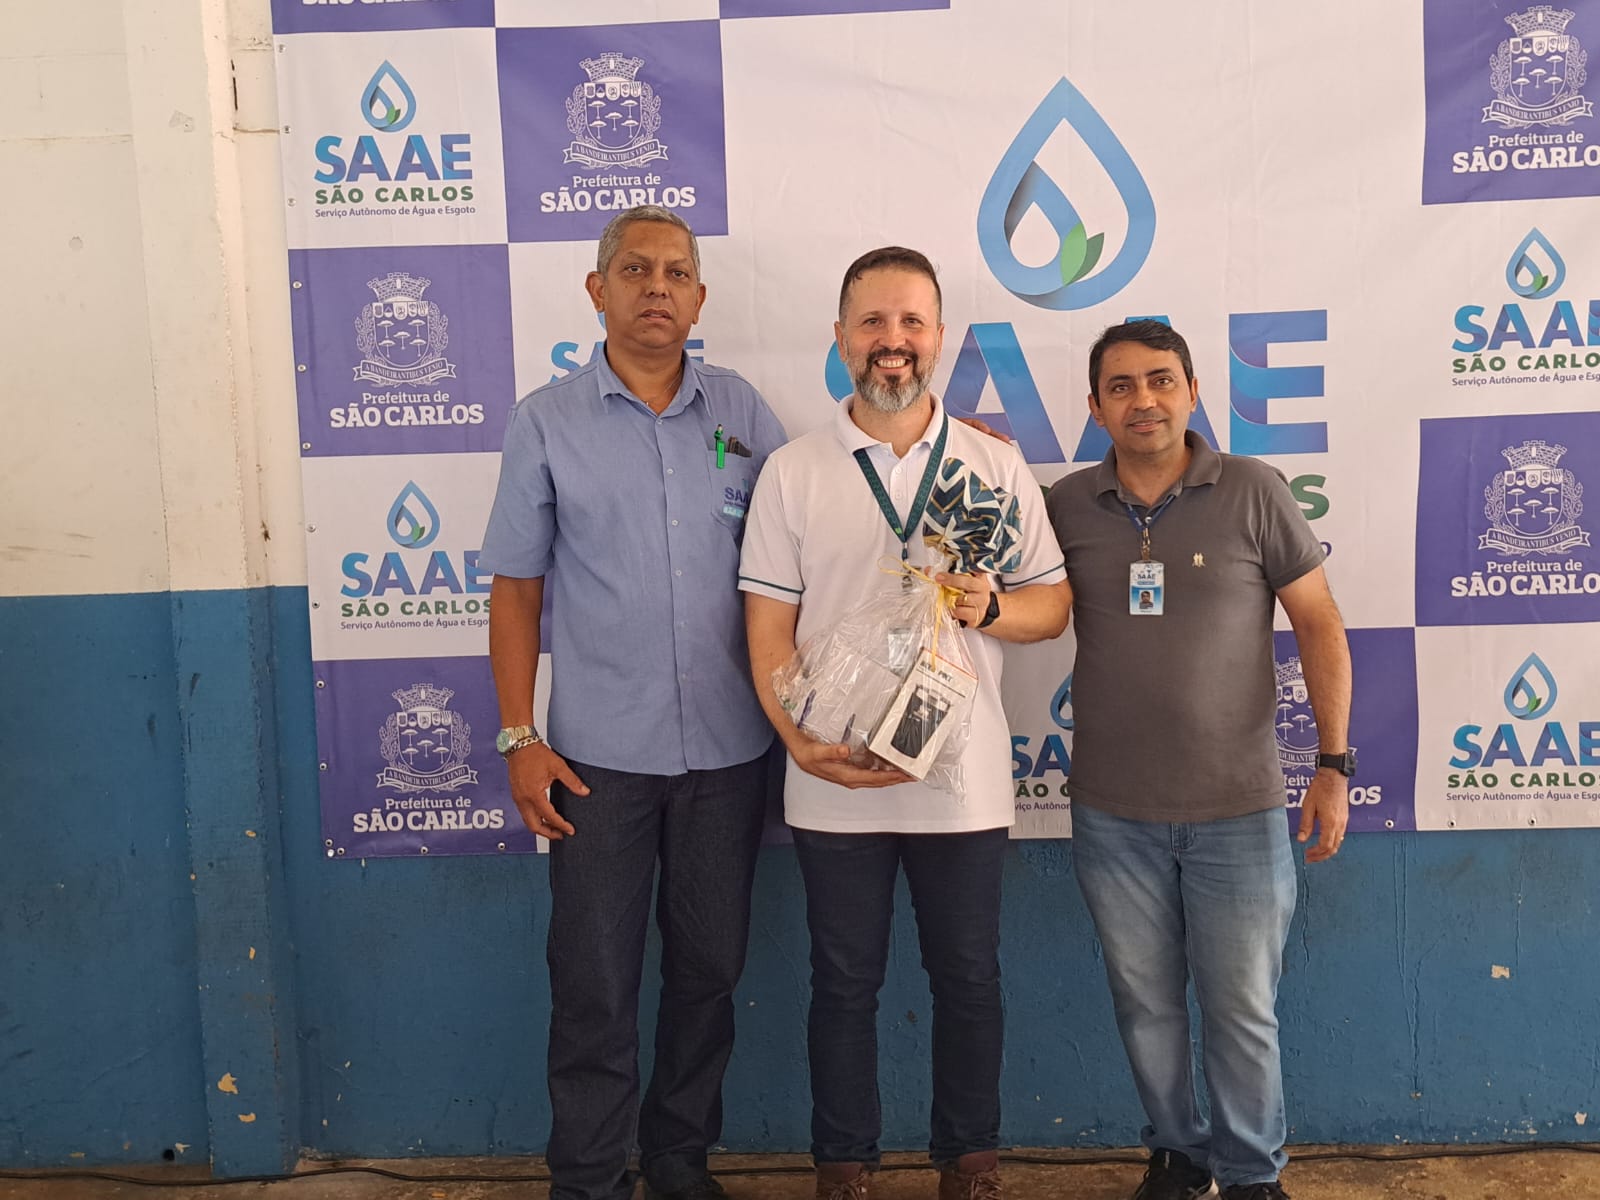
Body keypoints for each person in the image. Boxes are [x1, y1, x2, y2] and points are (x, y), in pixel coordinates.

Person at [740, 247, 1073, 1200]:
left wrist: (990, 608)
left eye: (912, 322)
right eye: (874, 323)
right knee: (843, 983)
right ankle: (843, 1167)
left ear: (939, 338)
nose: (894, 342)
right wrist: (798, 742)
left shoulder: (992, 465)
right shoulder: (793, 472)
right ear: (841, 338)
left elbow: (1052, 607)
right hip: (830, 771)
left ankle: (970, 1163)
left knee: (967, 979)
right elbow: (766, 629)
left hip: (961, 779)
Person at [479, 206, 787, 1200]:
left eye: (676, 273)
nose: (657, 287)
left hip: (730, 757)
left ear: (698, 298)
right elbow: (516, 591)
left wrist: (950, 445)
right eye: (636, 270)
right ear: (597, 289)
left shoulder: (743, 415)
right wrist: (519, 737)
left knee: (708, 975)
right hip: (596, 766)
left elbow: (817, 528)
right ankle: (587, 1179)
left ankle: (679, 1161)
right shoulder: (545, 422)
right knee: (594, 986)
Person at [1044, 320, 1353, 1200]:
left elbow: (1319, 621)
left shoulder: (1254, 490)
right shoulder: (1065, 505)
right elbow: (1007, 571)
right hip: (1112, 813)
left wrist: (1334, 764)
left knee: (1242, 1008)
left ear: (1191, 391)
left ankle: (1252, 1177)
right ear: (1095, 406)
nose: (1143, 400)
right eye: (1121, 386)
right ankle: (1179, 1158)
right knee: (1144, 1005)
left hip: (1238, 811)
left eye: (1160, 380)